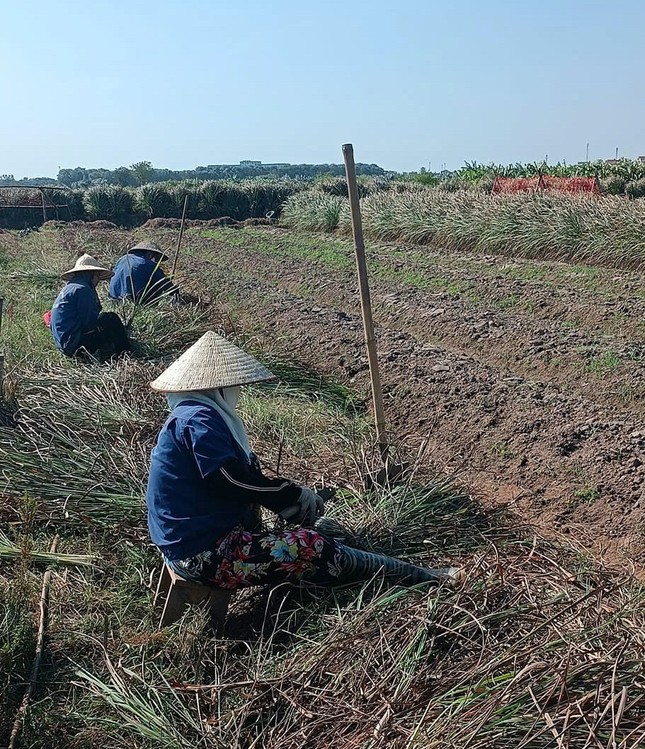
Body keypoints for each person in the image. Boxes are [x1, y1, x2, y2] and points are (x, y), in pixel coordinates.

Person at [145, 331, 457, 590]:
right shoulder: (199, 419)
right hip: (204, 555)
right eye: (234, 387)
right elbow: (227, 480)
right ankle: (420, 577)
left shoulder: (193, 415)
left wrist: (283, 499)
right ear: (218, 388)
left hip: (195, 540)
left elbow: (236, 480)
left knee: (321, 527)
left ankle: (372, 564)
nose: (237, 392)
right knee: (311, 545)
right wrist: (286, 494)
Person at [50, 254, 130, 359]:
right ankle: (126, 354)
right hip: (75, 345)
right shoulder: (83, 290)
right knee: (111, 319)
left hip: (65, 344)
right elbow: (90, 322)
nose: (97, 281)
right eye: (97, 276)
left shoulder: (69, 288)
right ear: (91, 274)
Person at [109, 240, 177, 305]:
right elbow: (164, 283)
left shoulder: (122, 259)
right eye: (155, 258)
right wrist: (175, 292)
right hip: (135, 301)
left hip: (114, 299)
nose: (155, 261)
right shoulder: (147, 264)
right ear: (150, 254)